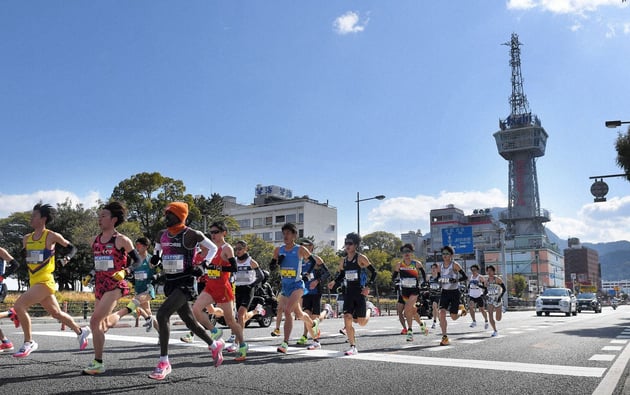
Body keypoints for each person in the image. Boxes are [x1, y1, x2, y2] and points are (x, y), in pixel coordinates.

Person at [149, 202, 223, 380]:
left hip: (186, 283)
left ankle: (164, 362)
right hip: (170, 282)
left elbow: (213, 248)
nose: (166, 218)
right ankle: (214, 345)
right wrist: (156, 258)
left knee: (162, 315)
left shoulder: (191, 234)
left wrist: (203, 265)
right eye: (165, 214)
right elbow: (158, 251)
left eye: (170, 215)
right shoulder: (162, 234)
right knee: (190, 322)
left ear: (180, 216)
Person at [6, 204, 90, 358]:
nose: (31, 218)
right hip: (34, 281)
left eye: (34, 216)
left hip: (45, 281)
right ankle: (81, 331)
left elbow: (72, 248)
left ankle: (28, 342)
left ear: (43, 218)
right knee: (56, 313)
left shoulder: (51, 236)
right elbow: (25, 257)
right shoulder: (26, 239)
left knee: (19, 305)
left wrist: (65, 259)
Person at [82, 201, 142, 375]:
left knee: (94, 321)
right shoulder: (94, 240)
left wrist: (126, 271)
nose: (99, 219)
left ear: (114, 219)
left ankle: (98, 363)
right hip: (100, 285)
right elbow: (100, 263)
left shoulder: (122, 240)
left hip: (115, 285)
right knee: (101, 324)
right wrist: (90, 274)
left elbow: (137, 261)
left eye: (104, 216)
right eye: (99, 216)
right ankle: (127, 310)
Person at [192, 221, 247, 361]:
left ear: (224, 233)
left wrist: (219, 269)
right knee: (196, 309)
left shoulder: (226, 248)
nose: (213, 235)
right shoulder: (210, 248)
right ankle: (214, 331)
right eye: (211, 232)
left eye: (216, 232)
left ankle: (242, 345)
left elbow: (234, 268)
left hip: (223, 288)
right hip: (210, 286)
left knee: (230, 321)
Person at [270, 223, 321, 354]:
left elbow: (313, 262)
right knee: (299, 314)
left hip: (297, 285)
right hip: (285, 286)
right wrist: (276, 262)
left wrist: (307, 275)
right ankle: (313, 324)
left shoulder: (300, 249)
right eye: (284, 233)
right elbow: (272, 266)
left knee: (287, 311)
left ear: (294, 235)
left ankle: (285, 343)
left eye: (288, 233)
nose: (285, 236)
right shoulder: (278, 249)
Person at [327, 232, 376, 356]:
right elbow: (342, 275)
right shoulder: (343, 260)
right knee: (347, 318)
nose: (347, 246)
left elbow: (374, 273)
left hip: (359, 293)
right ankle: (353, 346)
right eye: (346, 243)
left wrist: (367, 286)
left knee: (362, 322)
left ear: (356, 245)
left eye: (350, 243)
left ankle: (370, 309)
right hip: (348, 292)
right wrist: (334, 282)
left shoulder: (361, 258)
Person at [104, 237, 159, 332]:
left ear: (146, 247)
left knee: (134, 302)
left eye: (139, 245)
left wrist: (156, 275)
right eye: (136, 245)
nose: (136, 247)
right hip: (138, 289)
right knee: (148, 313)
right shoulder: (135, 260)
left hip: (148, 290)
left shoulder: (150, 259)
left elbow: (159, 268)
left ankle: (145, 319)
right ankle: (162, 333)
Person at [297, 239, 332, 351]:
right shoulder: (299, 260)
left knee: (315, 318)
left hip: (316, 291)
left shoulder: (317, 259)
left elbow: (327, 273)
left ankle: (326, 311)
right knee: (306, 315)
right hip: (305, 291)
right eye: (300, 246)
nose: (302, 249)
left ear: (311, 247)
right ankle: (307, 336)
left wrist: (317, 281)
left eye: (305, 246)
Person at [392, 243, 428, 342]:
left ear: (411, 253)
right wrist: (395, 282)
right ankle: (421, 324)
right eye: (404, 252)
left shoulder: (416, 263)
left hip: (414, 290)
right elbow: (394, 276)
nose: (406, 254)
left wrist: (424, 282)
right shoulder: (399, 265)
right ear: (402, 254)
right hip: (404, 291)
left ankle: (410, 332)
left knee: (407, 309)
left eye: (408, 251)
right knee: (412, 311)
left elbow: (424, 274)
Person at [437, 245, 468, 346]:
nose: (445, 256)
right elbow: (438, 279)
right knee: (441, 313)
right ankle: (444, 337)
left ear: (451, 255)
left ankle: (461, 311)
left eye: (447, 254)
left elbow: (465, 277)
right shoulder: (440, 266)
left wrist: (456, 280)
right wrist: (437, 282)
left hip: (454, 292)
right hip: (444, 292)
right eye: (443, 254)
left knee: (453, 317)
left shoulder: (455, 265)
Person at [233, 240, 266, 328]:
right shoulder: (234, 261)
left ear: (246, 249)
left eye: (240, 249)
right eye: (236, 249)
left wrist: (251, 285)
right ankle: (255, 312)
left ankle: (239, 338)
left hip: (248, 290)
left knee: (240, 314)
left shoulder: (251, 262)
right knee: (240, 316)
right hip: (238, 289)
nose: (237, 251)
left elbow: (261, 276)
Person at [485, 265, 506, 337]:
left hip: (497, 299)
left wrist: (500, 297)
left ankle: (501, 308)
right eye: (488, 270)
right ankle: (495, 330)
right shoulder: (486, 281)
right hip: (490, 299)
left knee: (498, 318)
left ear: (493, 271)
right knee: (490, 314)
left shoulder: (497, 279)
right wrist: (485, 295)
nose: (489, 272)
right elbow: (485, 290)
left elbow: (504, 289)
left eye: (491, 270)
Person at [467, 264, 488, 330]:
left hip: (479, 295)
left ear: (477, 270)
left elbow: (485, 287)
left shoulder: (480, 277)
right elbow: (469, 285)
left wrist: (478, 285)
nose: (473, 271)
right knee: (470, 307)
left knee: (481, 309)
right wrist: (467, 290)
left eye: (474, 270)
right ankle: (474, 321)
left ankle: (486, 321)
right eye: (472, 270)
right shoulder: (470, 277)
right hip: (472, 294)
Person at [428, 263, 441, 329]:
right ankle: (440, 320)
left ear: (437, 269)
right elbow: (428, 286)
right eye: (432, 268)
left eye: (434, 268)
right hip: (431, 295)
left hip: (438, 295)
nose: (433, 269)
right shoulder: (430, 278)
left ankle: (434, 322)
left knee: (434, 305)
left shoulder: (440, 278)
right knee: (435, 309)